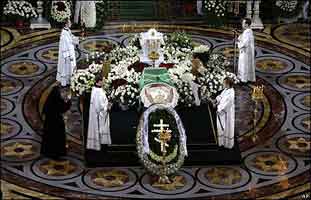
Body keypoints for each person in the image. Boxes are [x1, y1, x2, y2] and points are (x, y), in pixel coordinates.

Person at [41, 82, 72, 159]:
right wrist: (68, 101)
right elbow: (63, 108)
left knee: (48, 135)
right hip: (55, 119)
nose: (65, 93)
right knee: (56, 136)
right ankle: (56, 153)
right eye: (65, 91)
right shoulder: (57, 96)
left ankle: (47, 151)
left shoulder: (54, 91)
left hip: (50, 118)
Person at [87, 74, 111, 151]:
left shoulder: (97, 90)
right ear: (98, 82)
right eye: (102, 81)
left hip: (98, 115)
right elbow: (99, 107)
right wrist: (107, 107)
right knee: (100, 131)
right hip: (99, 116)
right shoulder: (97, 92)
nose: (103, 82)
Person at [213, 77, 235, 149]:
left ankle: (226, 143)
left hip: (226, 114)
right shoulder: (226, 89)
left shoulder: (231, 93)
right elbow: (221, 96)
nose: (223, 84)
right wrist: (216, 100)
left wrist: (219, 109)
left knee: (225, 128)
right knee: (221, 127)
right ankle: (221, 142)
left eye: (224, 83)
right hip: (222, 112)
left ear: (228, 84)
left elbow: (226, 104)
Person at [56, 18, 79, 87]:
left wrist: (77, 39)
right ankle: (65, 82)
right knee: (66, 68)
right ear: (66, 24)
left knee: (70, 67)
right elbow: (64, 47)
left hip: (70, 52)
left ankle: (70, 80)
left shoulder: (68, 30)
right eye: (70, 22)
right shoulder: (63, 34)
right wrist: (67, 56)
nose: (71, 23)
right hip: (67, 55)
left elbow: (71, 37)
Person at [237, 18, 255, 83]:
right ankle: (249, 78)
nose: (242, 24)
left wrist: (239, 42)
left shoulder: (247, 32)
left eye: (243, 23)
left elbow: (245, 43)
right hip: (248, 51)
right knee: (248, 64)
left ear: (247, 24)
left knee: (244, 65)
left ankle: (244, 79)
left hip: (245, 52)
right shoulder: (249, 31)